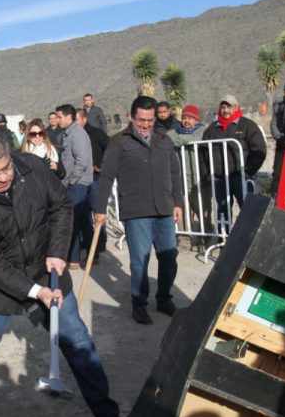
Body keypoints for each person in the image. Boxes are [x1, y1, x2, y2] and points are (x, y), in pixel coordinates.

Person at [0, 129, 121, 417]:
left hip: (46, 269)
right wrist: (35, 293)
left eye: (6, 167)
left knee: (77, 340)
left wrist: (57, 251)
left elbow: (61, 207)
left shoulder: (34, 167)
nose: (2, 178)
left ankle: (107, 413)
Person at [94, 96, 183, 325]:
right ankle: (139, 304)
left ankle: (164, 299)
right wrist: (100, 208)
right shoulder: (118, 142)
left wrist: (178, 203)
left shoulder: (164, 140)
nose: (145, 124)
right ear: (131, 117)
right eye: (141, 120)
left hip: (164, 209)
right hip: (136, 211)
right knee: (139, 261)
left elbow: (175, 174)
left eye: (150, 120)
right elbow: (106, 177)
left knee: (169, 257)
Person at [201, 95, 266, 228]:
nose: (226, 110)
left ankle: (249, 239)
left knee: (247, 208)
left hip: (241, 176)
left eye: (229, 107)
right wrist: (207, 173)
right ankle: (224, 239)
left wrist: (248, 171)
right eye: (223, 107)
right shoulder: (212, 129)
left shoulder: (247, 125)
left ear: (236, 107)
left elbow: (259, 150)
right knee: (222, 209)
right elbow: (203, 152)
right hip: (219, 178)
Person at [167, 105, 212, 250]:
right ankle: (185, 237)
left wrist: (179, 139)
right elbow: (168, 137)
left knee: (201, 207)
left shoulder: (202, 130)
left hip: (199, 178)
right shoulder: (175, 130)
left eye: (190, 118)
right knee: (183, 208)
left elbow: (195, 137)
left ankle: (205, 236)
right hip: (181, 178)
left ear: (196, 119)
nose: (187, 121)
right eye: (185, 117)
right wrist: (181, 139)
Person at [56, 104, 94, 268]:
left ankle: (74, 259)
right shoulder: (68, 133)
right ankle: (91, 255)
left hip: (78, 183)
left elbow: (82, 160)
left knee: (74, 222)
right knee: (84, 221)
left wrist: (72, 180)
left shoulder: (77, 134)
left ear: (67, 117)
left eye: (59, 117)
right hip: (75, 182)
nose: (57, 120)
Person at [76, 108, 109, 259]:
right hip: (81, 180)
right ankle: (88, 241)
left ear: (84, 119)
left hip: (96, 179)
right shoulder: (74, 135)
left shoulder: (96, 133)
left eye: (76, 120)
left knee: (97, 210)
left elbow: (110, 148)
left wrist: (101, 165)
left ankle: (100, 241)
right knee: (84, 211)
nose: (75, 123)